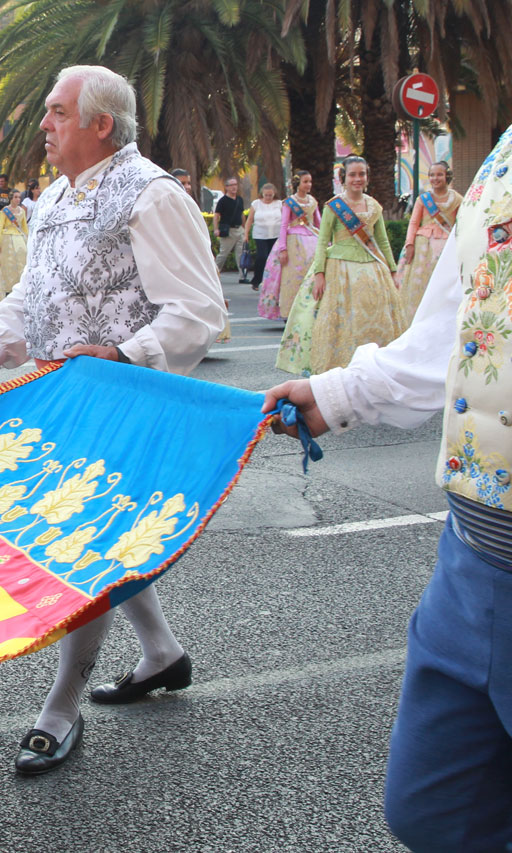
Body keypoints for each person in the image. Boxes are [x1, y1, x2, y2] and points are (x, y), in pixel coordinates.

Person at [0, 65, 225, 775]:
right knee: (100, 540)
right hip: (62, 405)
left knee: (83, 542)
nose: (44, 123)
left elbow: (200, 311)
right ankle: (162, 653)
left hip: (126, 405)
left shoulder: (152, 195)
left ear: (101, 125)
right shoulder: (53, 198)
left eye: (57, 111)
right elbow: (30, 290)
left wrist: (121, 353)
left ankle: (60, 706)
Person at [262, 124, 512, 853]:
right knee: (432, 807)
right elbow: (456, 328)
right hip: (471, 561)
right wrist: (335, 394)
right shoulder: (500, 154)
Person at [276, 156, 406, 376]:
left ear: (367, 177)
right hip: (339, 269)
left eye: (362, 174)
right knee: (342, 322)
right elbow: (322, 241)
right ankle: (340, 367)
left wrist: (393, 270)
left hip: (371, 269)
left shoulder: (374, 206)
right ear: (343, 178)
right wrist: (319, 273)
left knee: (373, 319)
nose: (358, 179)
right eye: (353, 174)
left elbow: (382, 241)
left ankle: (373, 367)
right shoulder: (334, 207)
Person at [396, 161, 461, 319]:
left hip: (446, 248)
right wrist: (409, 244)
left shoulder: (458, 199)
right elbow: (413, 222)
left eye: (439, 174)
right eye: (432, 175)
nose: (435, 178)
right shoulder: (423, 199)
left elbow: (461, 223)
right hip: (422, 249)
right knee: (419, 284)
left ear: (447, 176)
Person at [258, 170, 320, 320]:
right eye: (305, 182)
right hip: (294, 243)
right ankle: (289, 311)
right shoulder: (289, 202)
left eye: (310, 181)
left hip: (312, 240)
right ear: (298, 183)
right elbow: (284, 224)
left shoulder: (312, 201)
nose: (308, 185)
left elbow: (318, 222)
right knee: (291, 278)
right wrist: (283, 248)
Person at [243, 182, 282, 289]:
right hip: (260, 235)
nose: (268, 197)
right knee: (262, 257)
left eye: (270, 195)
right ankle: (257, 280)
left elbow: (285, 219)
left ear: (274, 194)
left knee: (274, 259)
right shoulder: (256, 204)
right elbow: (250, 220)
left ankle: (272, 281)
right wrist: (246, 234)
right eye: (266, 195)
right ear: (262, 194)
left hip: (275, 235)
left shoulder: (279, 203)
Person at [0, 189, 29, 294]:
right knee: (8, 264)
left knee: (21, 262)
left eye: (19, 197)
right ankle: (7, 287)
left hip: (19, 238)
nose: (18, 199)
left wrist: (28, 240)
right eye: (15, 197)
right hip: (7, 238)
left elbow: (24, 227)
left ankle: (20, 285)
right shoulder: (5, 210)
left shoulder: (22, 211)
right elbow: (0, 226)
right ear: (11, 198)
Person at [213, 177, 246, 276]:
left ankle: (242, 276)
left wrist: (244, 228)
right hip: (228, 231)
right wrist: (216, 229)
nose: (234, 187)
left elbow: (242, 214)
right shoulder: (223, 201)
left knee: (240, 254)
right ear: (226, 187)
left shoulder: (239, 199)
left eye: (235, 185)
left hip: (239, 230)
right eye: (231, 185)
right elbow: (216, 215)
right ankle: (213, 273)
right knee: (223, 254)